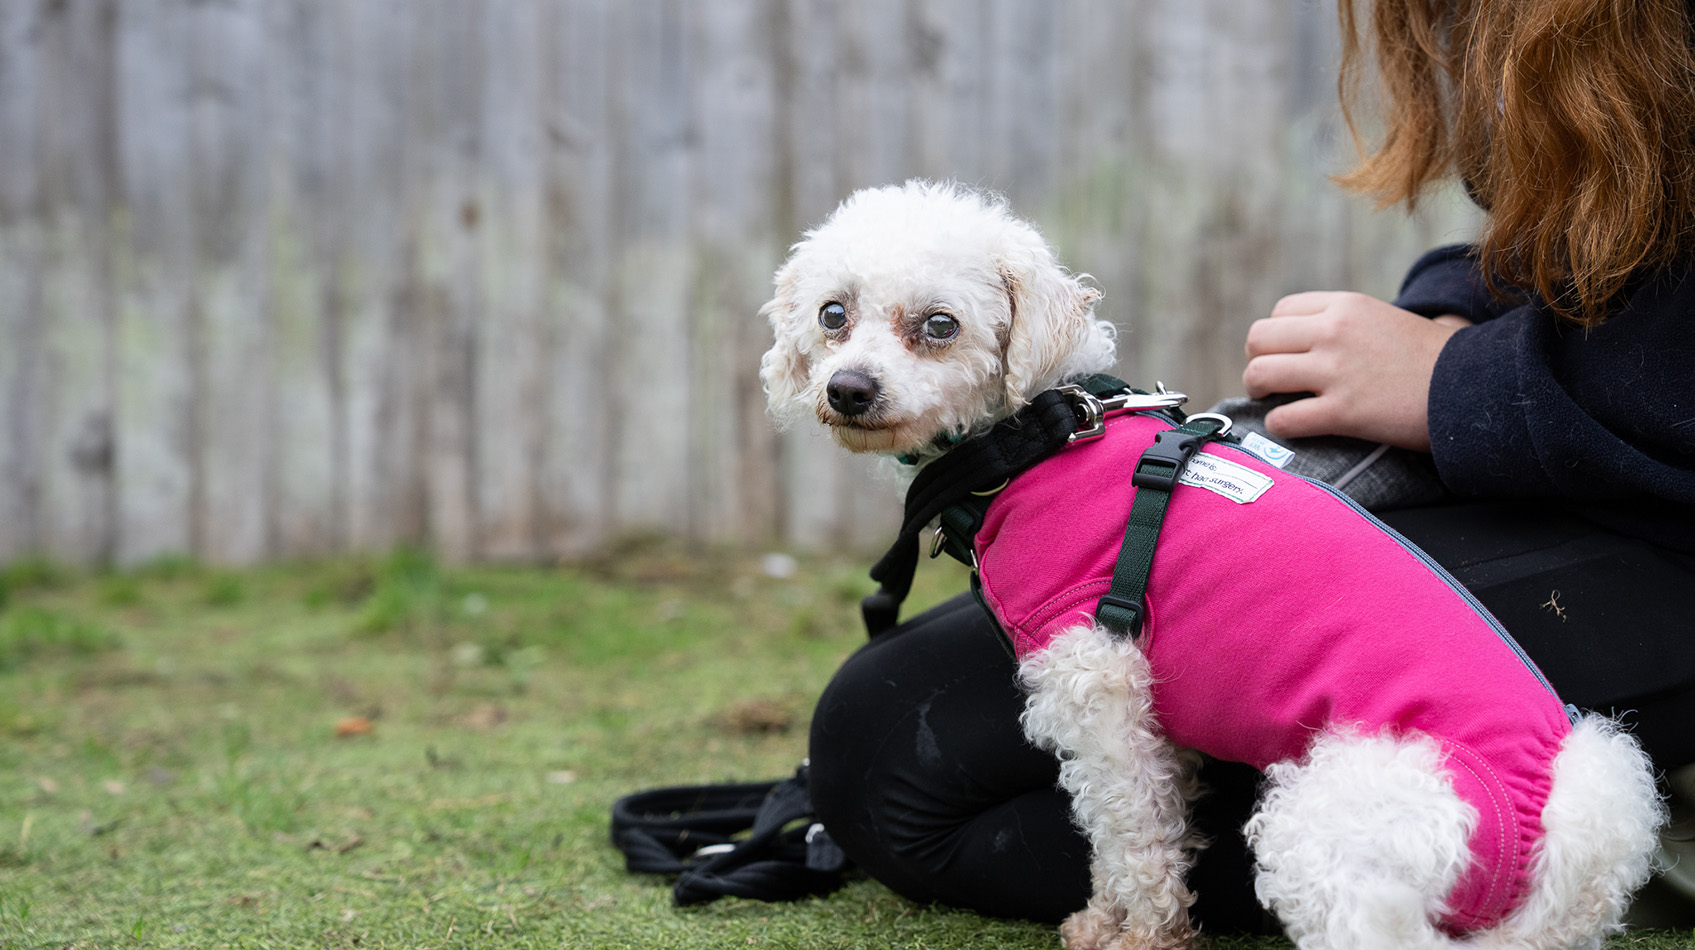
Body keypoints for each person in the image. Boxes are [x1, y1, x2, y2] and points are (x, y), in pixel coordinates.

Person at [807, 0, 1695, 933]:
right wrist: (1455, 311)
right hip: (1561, 477)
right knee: (891, 714)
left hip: (1657, 535)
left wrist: (1460, 382)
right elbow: (1609, 243)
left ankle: (1436, 878)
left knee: (910, 771)